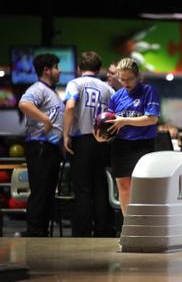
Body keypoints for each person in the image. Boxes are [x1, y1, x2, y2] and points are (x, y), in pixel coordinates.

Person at [94, 58, 160, 215]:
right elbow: (110, 123)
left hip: (143, 146)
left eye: (130, 78)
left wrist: (125, 121)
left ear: (138, 76)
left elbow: (152, 119)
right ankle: (128, 225)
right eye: (122, 79)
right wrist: (101, 136)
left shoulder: (148, 91)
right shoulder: (116, 97)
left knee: (142, 188)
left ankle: (143, 224)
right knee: (123, 187)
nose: (126, 82)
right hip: (121, 146)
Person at [63, 51, 116, 237]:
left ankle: (82, 231)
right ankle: (103, 230)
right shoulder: (107, 88)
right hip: (102, 141)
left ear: (79, 68)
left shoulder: (75, 83)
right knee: (100, 187)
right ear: (99, 68)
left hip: (81, 139)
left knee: (82, 188)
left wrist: (65, 134)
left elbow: (70, 106)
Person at [18, 53, 64, 237]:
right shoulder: (38, 88)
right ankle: (34, 231)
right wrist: (45, 120)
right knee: (40, 190)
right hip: (39, 146)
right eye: (56, 67)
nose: (59, 71)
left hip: (50, 147)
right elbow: (24, 104)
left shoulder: (52, 92)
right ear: (46, 70)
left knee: (47, 191)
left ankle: (42, 230)